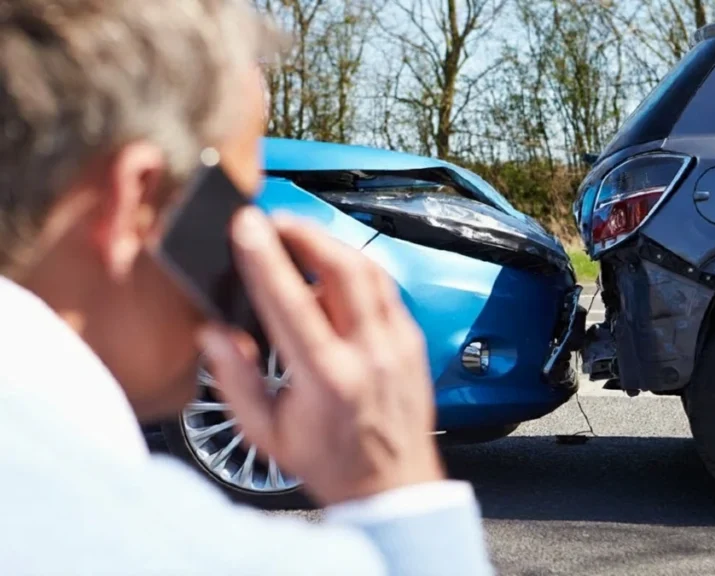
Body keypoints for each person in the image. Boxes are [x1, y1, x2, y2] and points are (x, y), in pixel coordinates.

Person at [0, 1, 493, 574]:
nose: (243, 240)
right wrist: (396, 487)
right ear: (135, 200)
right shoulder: (139, 541)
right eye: (233, 201)